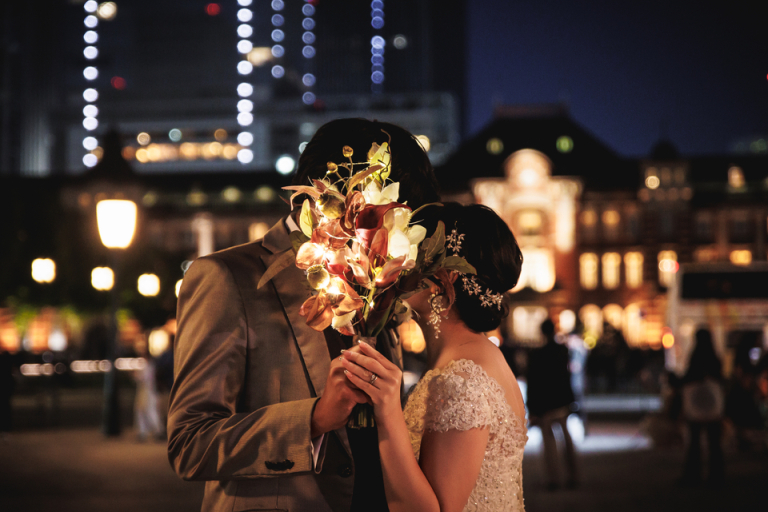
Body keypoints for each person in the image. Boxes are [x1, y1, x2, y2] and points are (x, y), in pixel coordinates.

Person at [168, 118, 440, 512]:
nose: (396, 232)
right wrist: (312, 418)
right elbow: (189, 443)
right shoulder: (227, 278)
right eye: (390, 213)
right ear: (336, 196)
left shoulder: (379, 276)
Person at [339, 203, 527, 512]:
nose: (396, 263)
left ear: (446, 277)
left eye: (408, 253)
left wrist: (387, 412)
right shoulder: (479, 356)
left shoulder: (461, 380)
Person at [526, 318, 578, 490]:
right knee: (567, 439)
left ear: (541, 332)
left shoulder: (536, 354)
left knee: (549, 443)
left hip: (546, 403)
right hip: (562, 400)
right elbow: (567, 377)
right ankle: (573, 475)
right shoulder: (562, 351)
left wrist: (532, 408)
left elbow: (533, 382)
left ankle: (553, 479)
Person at [680, 328, 725, 485]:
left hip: (697, 405)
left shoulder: (696, 356)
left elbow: (689, 377)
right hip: (712, 406)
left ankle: (693, 474)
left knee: (694, 442)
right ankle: (716, 475)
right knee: (714, 443)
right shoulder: (715, 358)